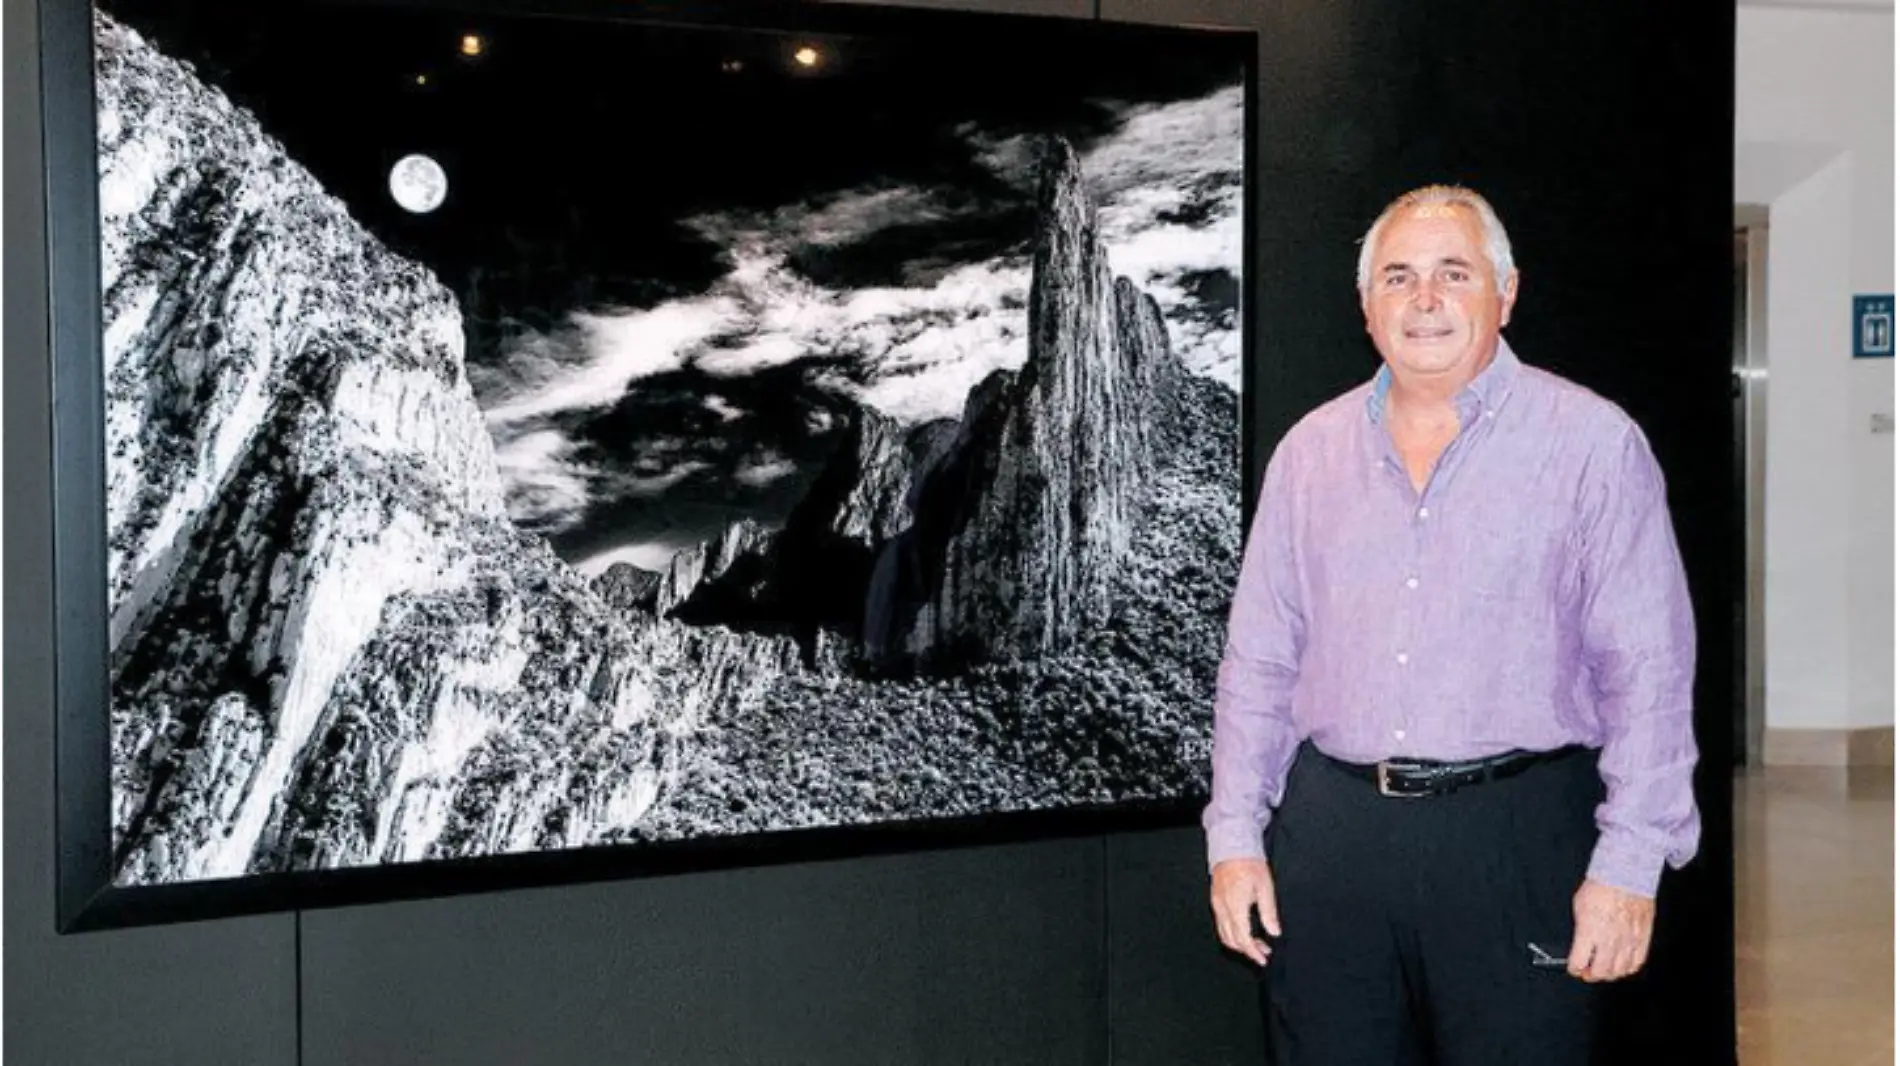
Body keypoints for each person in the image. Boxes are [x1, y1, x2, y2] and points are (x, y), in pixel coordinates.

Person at [1202, 184, 1701, 1064]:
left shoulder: (1592, 445)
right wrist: (1236, 839)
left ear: (1505, 293)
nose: (1424, 300)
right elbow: (1260, 664)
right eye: (1397, 277)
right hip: (1331, 844)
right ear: (1366, 307)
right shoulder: (1308, 455)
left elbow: (1650, 673)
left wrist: (1628, 867)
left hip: (1518, 839)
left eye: (1453, 273)